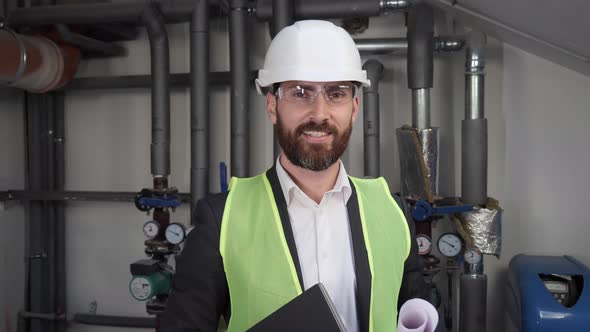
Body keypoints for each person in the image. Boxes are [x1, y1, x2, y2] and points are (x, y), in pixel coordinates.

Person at [161, 20, 428, 332]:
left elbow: (418, 311)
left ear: (354, 108)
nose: (319, 112)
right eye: (300, 93)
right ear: (273, 106)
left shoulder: (392, 213)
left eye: (336, 93)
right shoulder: (222, 219)